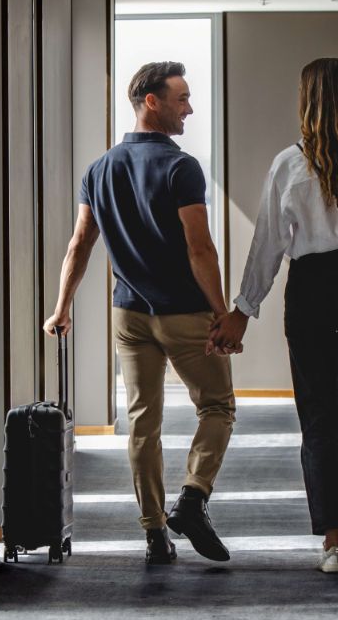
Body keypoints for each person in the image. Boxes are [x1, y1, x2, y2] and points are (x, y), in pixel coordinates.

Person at [211, 58, 338, 573]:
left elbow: (268, 246)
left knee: (319, 414)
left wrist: (243, 309)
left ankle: (332, 539)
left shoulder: (289, 164)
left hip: (312, 289)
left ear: (310, 101)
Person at [43, 61, 236, 566]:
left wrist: (61, 308)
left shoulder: (99, 169)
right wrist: (223, 313)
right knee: (217, 407)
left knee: (142, 423)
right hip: (186, 314)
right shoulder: (181, 167)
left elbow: (79, 244)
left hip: (128, 315)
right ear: (152, 101)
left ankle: (155, 533)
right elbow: (201, 250)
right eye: (182, 98)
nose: (189, 108)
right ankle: (192, 498)